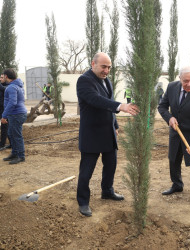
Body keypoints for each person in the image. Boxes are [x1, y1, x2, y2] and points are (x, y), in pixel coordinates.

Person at [76, 52, 139, 217]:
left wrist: (115, 125)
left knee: (111, 165)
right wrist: (121, 106)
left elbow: (107, 106)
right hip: (91, 134)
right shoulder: (84, 80)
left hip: (108, 132)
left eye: (109, 67)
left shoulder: (107, 81)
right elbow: (96, 100)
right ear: (93, 64)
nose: (106, 70)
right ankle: (83, 202)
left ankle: (107, 191)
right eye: (103, 66)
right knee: (86, 171)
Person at [158, 65, 190, 211]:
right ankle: (177, 185)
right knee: (173, 159)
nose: (189, 84)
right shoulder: (172, 87)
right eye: (185, 81)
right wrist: (169, 118)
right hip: (176, 131)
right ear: (179, 78)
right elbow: (162, 107)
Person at [1, 69, 27, 165]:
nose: (3, 78)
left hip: (16, 114)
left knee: (16, 135)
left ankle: (21, 156)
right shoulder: (18, 86)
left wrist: (4, 116)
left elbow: (12, 102)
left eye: (3, 76)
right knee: (11, 133)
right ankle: (15, 153)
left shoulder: (11, 87)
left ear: (6, 76)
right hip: (17, 114)